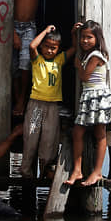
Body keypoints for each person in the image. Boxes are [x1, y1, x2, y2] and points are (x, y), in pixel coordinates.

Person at [13, 0, 78, 116]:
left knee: (26, 62)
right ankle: (16, 97)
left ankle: (21, 100)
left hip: (29, 27)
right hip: (12, 26)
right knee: (13, 67)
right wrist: (12, 33)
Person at [64, 20, 111, 187]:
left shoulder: (95, 56)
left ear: (97, 38)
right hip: (89, 96)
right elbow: (78, 51)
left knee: (99, 133)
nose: (85, 40)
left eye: (89, 37)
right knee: (78, 132)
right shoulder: (88, 54)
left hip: (97, 96)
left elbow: (84, 77)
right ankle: (78, 170)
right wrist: (74, 35)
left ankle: (96, 172)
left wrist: (77, 65)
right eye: (83, 37)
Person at [20, 24, 76, 178]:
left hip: (52, 106)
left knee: (49, 140)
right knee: (31, 137)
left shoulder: (59, 60)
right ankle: (26, 172)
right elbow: (32, 46)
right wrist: (45, 31)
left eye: (54, 48)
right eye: (47, 46)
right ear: (42, 46)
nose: (50, 50)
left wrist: (73, 33)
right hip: (35, 104)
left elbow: (74, 48)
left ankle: (45, 171)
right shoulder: (37, 60)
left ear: (58, 49)